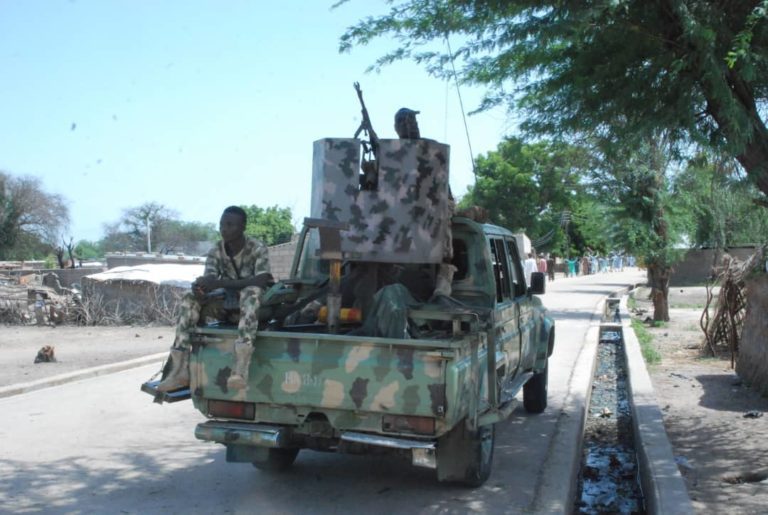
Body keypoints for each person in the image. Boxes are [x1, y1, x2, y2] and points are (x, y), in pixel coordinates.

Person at [156, 206, 273, 392]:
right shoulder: (216, 251)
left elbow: (262, 280)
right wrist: (201, 287)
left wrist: (221, 283)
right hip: (227, 303)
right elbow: (211, 277)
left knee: (251, 291)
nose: (224, 229)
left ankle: (240, 370)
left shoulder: (257, 248)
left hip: (256, 307)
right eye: (221, 224)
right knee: (189, 297)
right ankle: (180, 371)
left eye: (230, 224)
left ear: (242, 227)